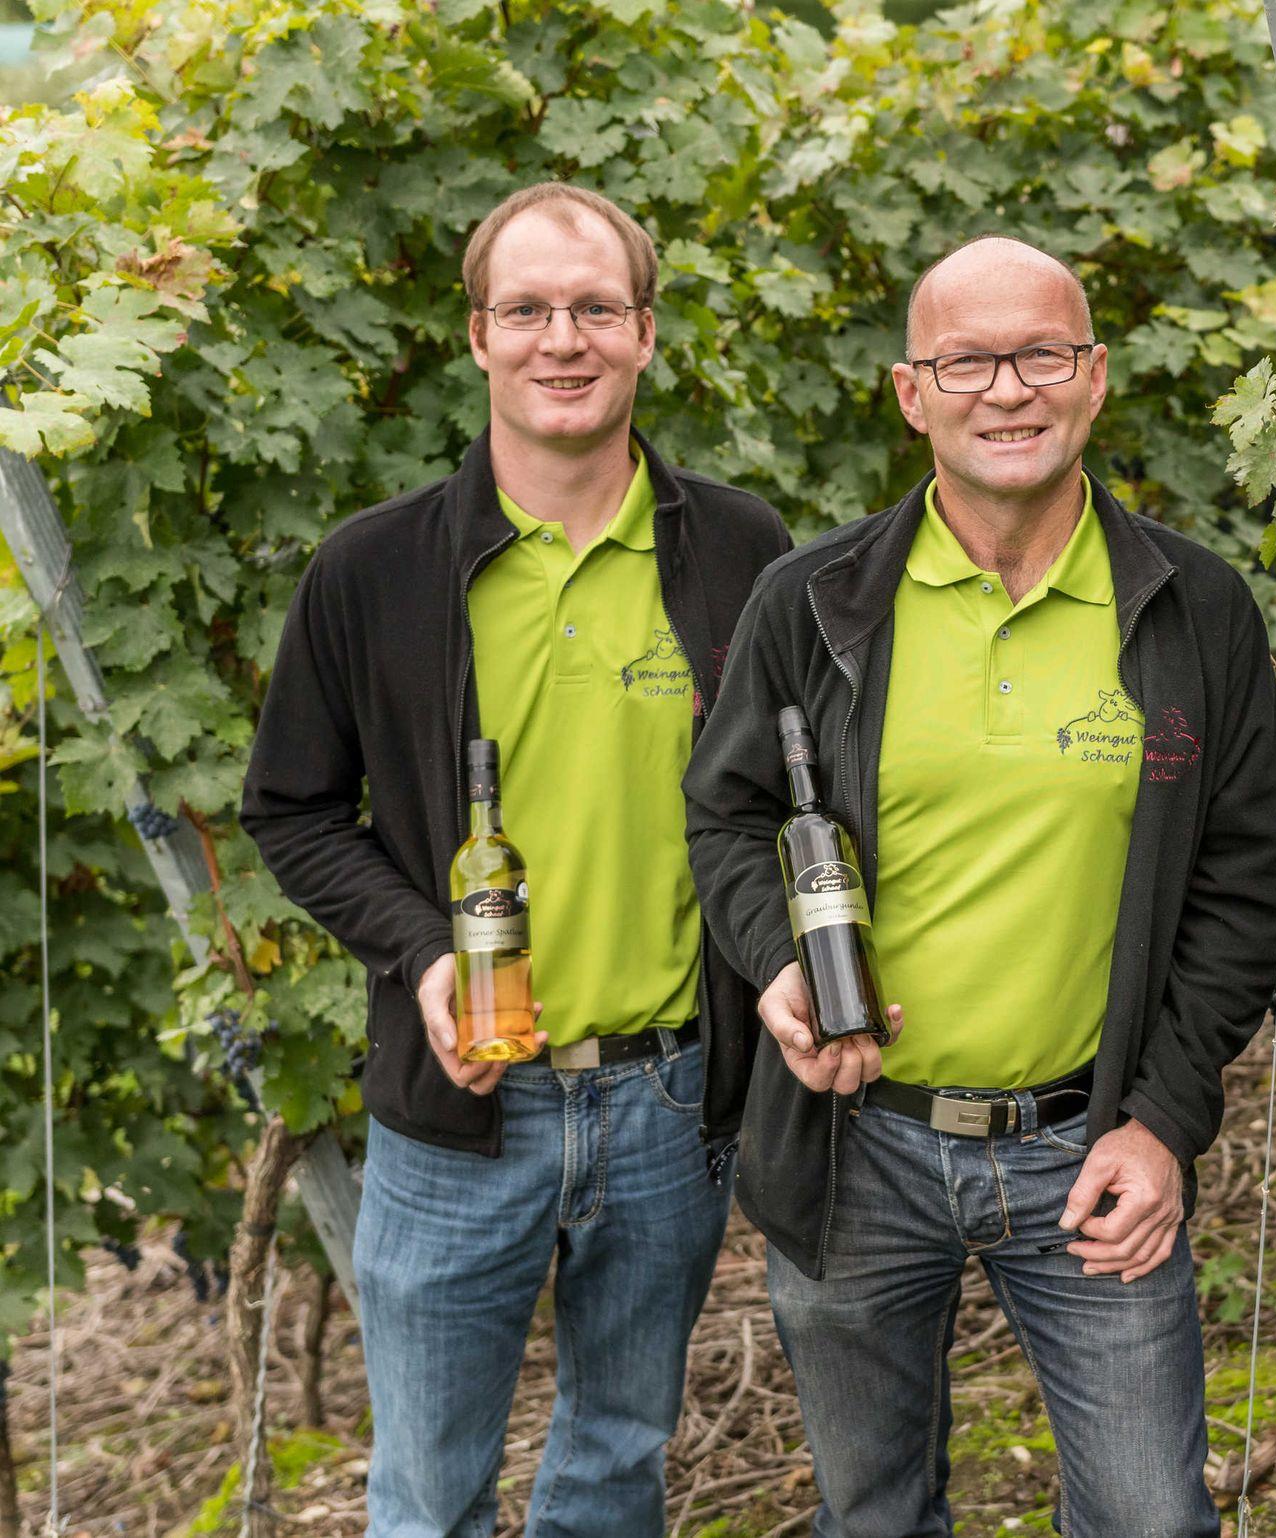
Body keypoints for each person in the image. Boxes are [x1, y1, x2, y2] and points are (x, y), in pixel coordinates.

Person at [683, 234, 1276, 1538]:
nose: (1007, 389)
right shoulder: (812, 600)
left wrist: (1163, 1119)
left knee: (1150, 1518)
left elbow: (1249, 886)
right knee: (872, 1512)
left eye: (1042, 355)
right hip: (858, 1145)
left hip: (1089, 1146)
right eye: (966, 361)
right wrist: (780, 965)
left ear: (1096, 377)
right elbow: (729, 818)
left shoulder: (1194, 608)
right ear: (912, 393)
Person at [241, 182, 790, 1536]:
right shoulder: (373, 571)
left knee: (615, 1465)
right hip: (458, 1110)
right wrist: (423, 954)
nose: (564, 338)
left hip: (669, 1097)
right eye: (528, 308)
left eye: (596, 308)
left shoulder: (741, 551)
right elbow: (290, 809)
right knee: (429, 1497)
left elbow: (784, 801)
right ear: (478, 335)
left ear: (645, 331)